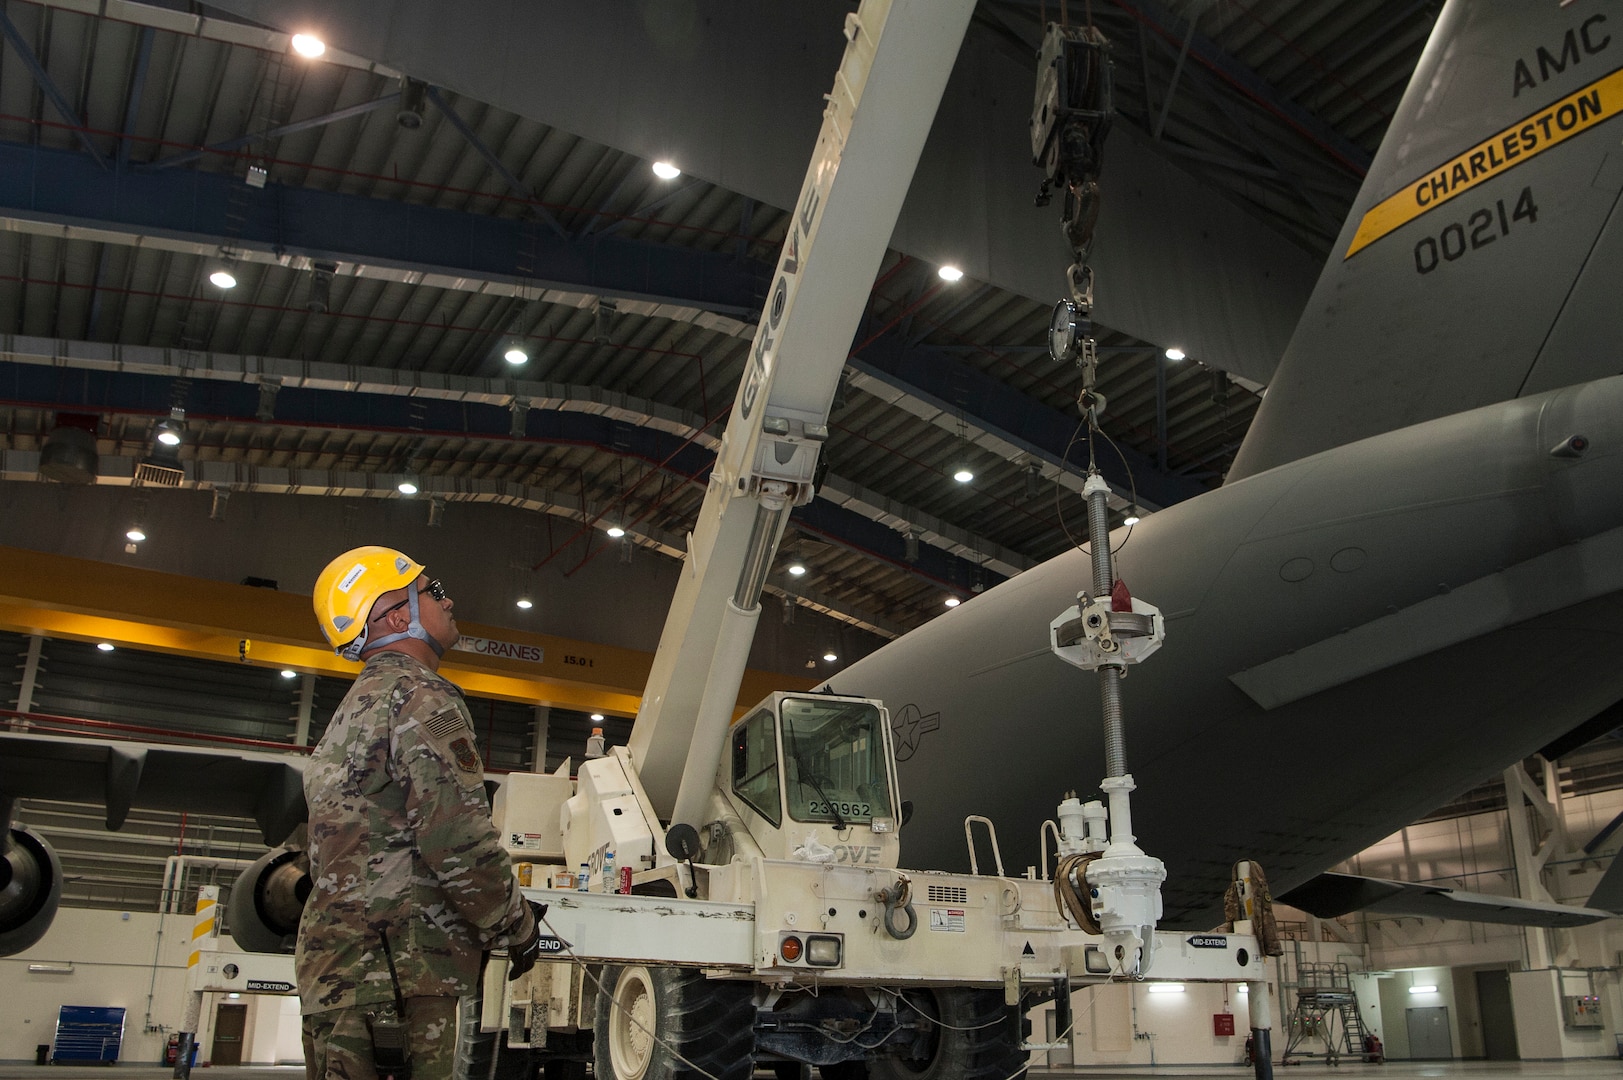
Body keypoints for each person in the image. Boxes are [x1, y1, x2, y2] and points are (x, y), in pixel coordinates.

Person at [301, 546, 544, 1080]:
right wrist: (516, 923)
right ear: (394, 615)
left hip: (338, 971)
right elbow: (454, 836)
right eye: (434, 591)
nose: (449, 599)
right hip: (398, 973)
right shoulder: (421, 697)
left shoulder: (351, 711)